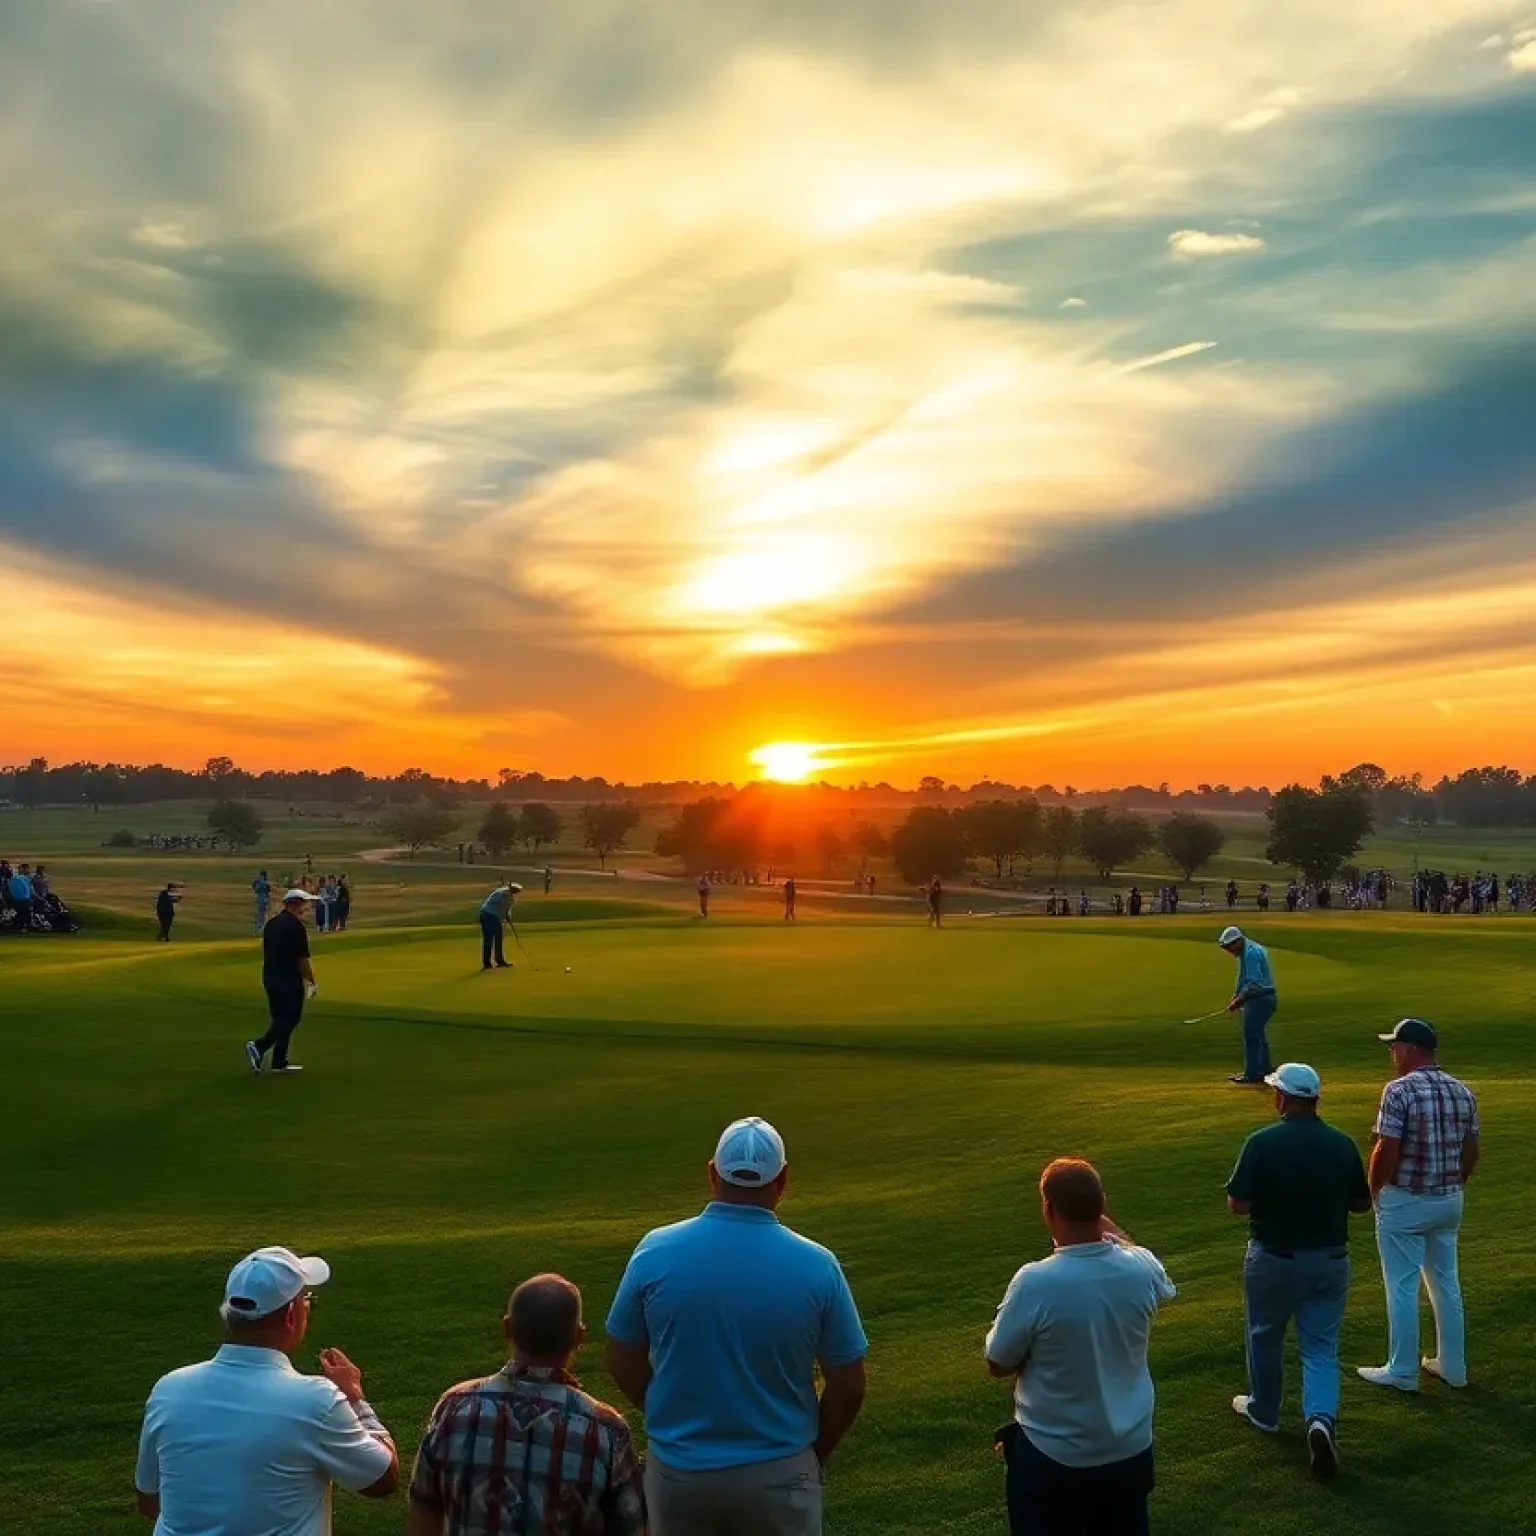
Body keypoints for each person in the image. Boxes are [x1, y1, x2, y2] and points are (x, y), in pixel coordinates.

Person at [605, 1116, 868, 1536]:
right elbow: (849, 1384)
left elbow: (622, 1356)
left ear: (712, 1173)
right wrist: (813, 1454)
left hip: (680, 1472)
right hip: (780, 1471)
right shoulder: (818, 1265)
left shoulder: (655, 1250)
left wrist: (664, 1408)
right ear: (782, 1180)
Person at [135, 1245, 398, 1533]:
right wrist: (354, 1397)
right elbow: (381, 1479)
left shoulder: (169, 1389)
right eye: (305, 1299)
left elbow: (150, 1500)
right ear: (290, 1316)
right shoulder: (315, 1401)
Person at [986, 1157, 1175, 1536]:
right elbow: (1152, 1272)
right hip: (1130, 1451)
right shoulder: (1142, 1268)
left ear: (1048, 1209)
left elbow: (997, 1361)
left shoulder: (1035, 1282)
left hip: (1054, 1455)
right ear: (1102, 1205)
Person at [410, 1273, 645, 1536]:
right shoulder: (604, 1430)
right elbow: (632, 1526)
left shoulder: (453, 1408)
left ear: (507, 1329)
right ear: (579, 1337)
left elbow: (424, 1506)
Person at [1225, 1063, 1371, 1479]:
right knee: (1321, 1347)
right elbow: (1361, 1203)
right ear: (1316, 1100)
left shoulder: (1262, 1142)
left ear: (1282, 1098)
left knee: (1265, 1335)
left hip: (1274, 1259)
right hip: (1329, 1261)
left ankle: (1264, 1410)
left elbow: (1238, 1204)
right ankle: (1321, 1419)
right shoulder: (1341, 1144)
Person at [1358, 1018, 1480, 1392]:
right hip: (1448, 1200)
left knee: (1402, 1286)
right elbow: (1471, 1151)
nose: (1391, 1053)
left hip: (1407, 1200)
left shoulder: (1398, 1091)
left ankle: (1403, 1370)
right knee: (1446, 1283)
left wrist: (1373, 1190)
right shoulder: (1462, 1091)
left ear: (1411, 1049)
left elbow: (1386, 1149)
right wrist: (1452, 1182)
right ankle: (1453, 1367)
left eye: (1394, 1046)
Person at [247, 889, 318, 1075]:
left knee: (280, 1018)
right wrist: (311, 981)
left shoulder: (272, 924)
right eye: (304, 903)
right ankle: (258, 1047)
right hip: (288, 979)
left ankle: (279, 1061)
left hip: (270, 977)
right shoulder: (295, 926)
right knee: (290, 1018)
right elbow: (301, 959)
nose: (306, 907)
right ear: (295, 903)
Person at [1218, 925, 1277, 1087]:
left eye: (1229, 947)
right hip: (1261, 998)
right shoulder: (1247, 951)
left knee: (1251, 1036)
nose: (1228, 951)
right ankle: (1264, 1070)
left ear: (1237, 941)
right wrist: (1237, 996)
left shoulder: (1251, 953)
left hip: (1260, 998)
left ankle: (1252, 1074)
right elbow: (1243, 979)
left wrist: (1239, 999)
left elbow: (1254, 983)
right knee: (1258, 1035)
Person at [479, 882, 520, 970]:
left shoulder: (510, 898)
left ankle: (500, 961)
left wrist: (508, 918)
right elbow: (493, 902)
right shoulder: (499, 893)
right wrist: (504, 898)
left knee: (499, 938)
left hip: (495, 917)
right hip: (487, 914)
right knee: (488, 939)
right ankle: (487, 963)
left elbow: (506, 911)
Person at [8, 860, 34, 932]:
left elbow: (11, 888)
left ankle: (19, 926)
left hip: (16, 899)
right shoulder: (25, 878)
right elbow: (29, 889)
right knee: (26, 914)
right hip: (24, 899)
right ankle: (24, 926)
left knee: (20, 913)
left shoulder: (13, 878)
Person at [253, 869, 272, 936]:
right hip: (264, 900)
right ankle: (260, 930)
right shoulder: (265, 883)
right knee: (263, 916)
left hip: (259, 899)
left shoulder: (257, 882)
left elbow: (255, 889)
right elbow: (268, 892)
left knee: (259, 915)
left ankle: (257, 930)